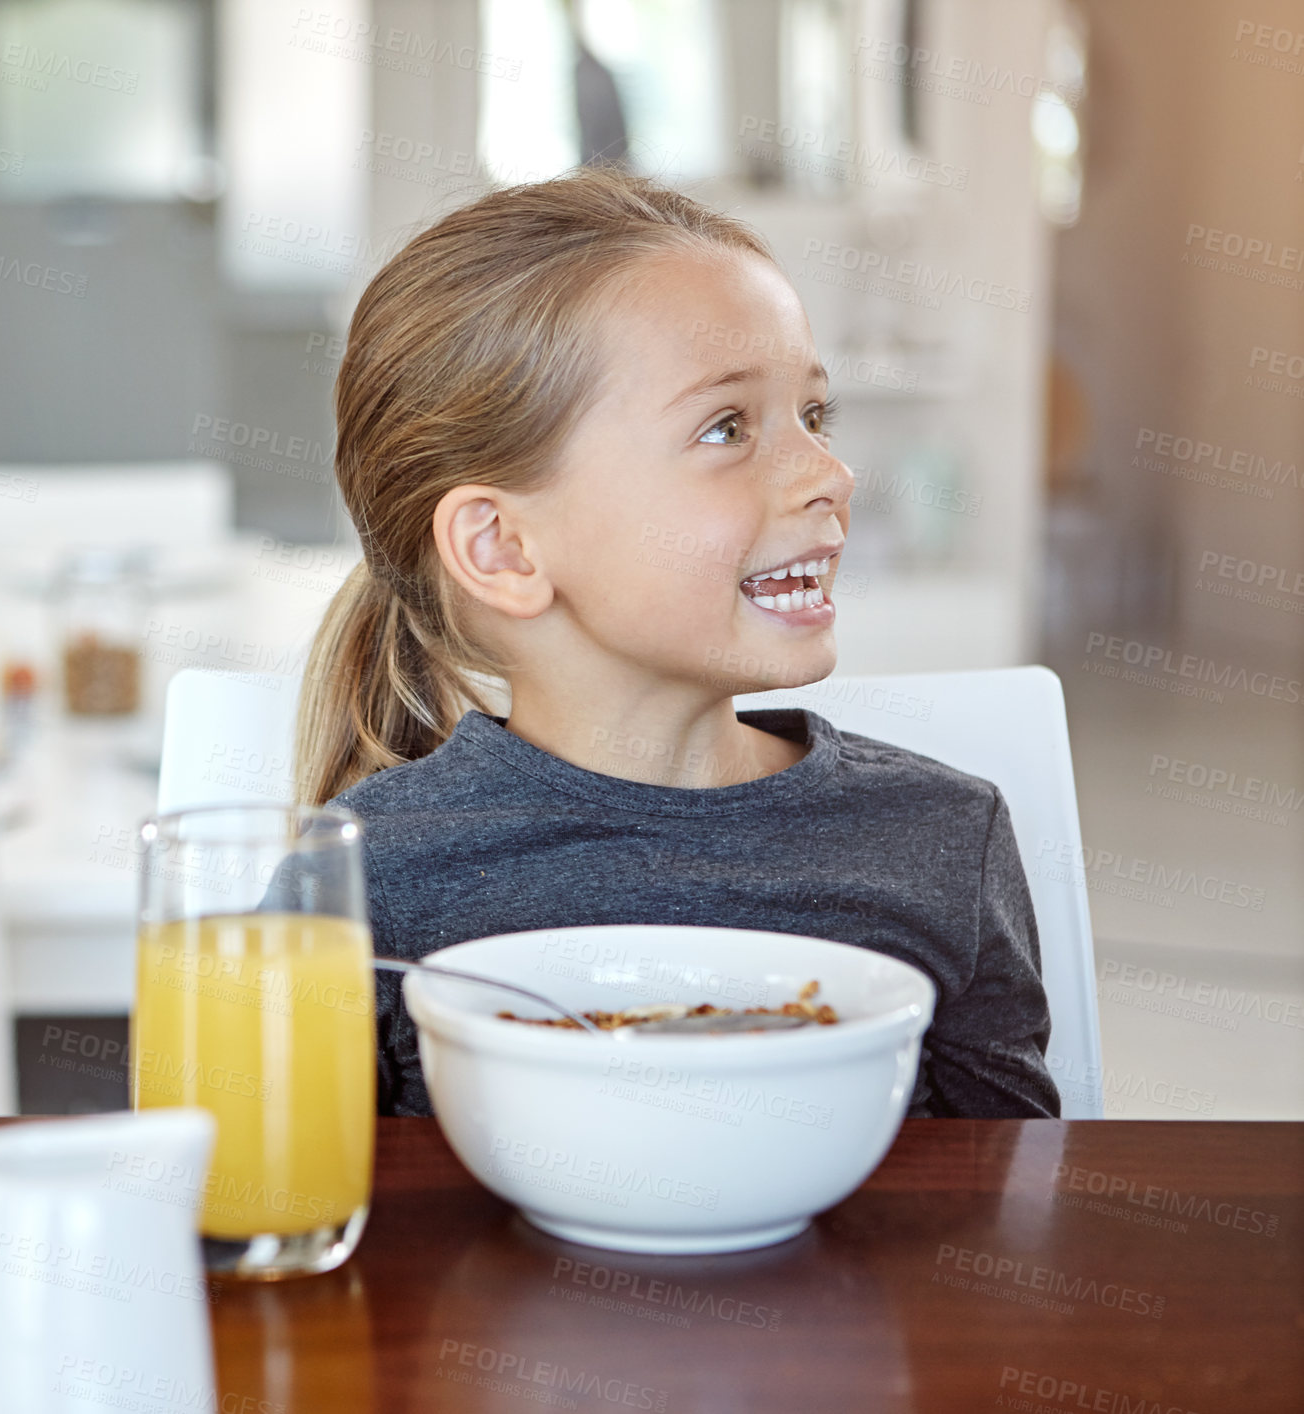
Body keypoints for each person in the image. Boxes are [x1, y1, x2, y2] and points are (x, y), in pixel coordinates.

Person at [296, 164, 1059, 1120]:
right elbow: (283, 1222)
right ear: (503, 546)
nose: (831, 473)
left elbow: (1012, 1201)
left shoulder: (942, 839)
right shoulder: (367, 879)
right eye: (726, 427)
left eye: (815, 415)